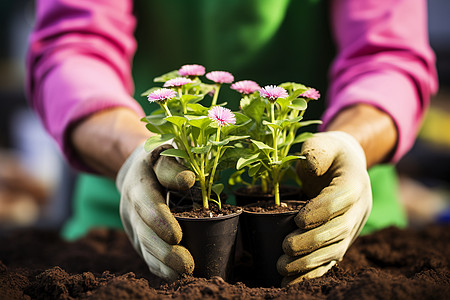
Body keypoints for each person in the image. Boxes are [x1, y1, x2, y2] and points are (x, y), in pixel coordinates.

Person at [26, 0, 437, 285]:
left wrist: (353, 142)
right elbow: (74, 45)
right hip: (124, 238)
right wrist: (133, 151)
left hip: (348, 237)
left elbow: (389, 55)